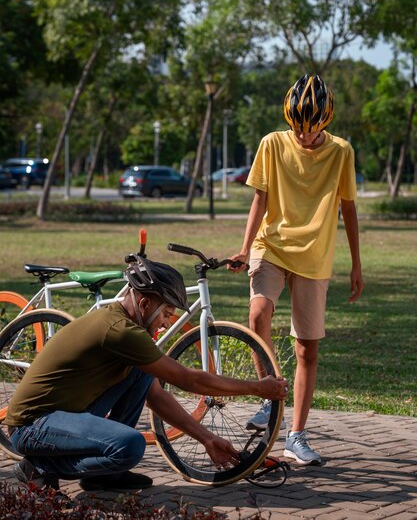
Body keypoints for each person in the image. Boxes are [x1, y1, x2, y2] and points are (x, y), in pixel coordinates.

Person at [5, 256, 289, 491]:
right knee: (129, 446)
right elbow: (189, 379)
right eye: (166, 313)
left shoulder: (125, 327)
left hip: (63, 414)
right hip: (32, 426)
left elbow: (155, 395)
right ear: (144, 304)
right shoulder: (119, 331)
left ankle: (104, 477)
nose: (166, 324)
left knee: (140, 376)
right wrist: (256, 387)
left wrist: (207, 439)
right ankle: (37, 467)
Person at [228, 74, 364, 466]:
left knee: (307, 349)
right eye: (297, 129)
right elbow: (260, 199)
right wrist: (243, 247)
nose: (303, 137)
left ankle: (297, 436)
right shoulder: (272, 143)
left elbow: (348, 208)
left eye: (312, 130)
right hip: (270, 245)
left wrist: (356, 264)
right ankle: (270, 400)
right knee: (258, 314)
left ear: (325, 122)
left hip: (314, 256)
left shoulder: (341, 152)